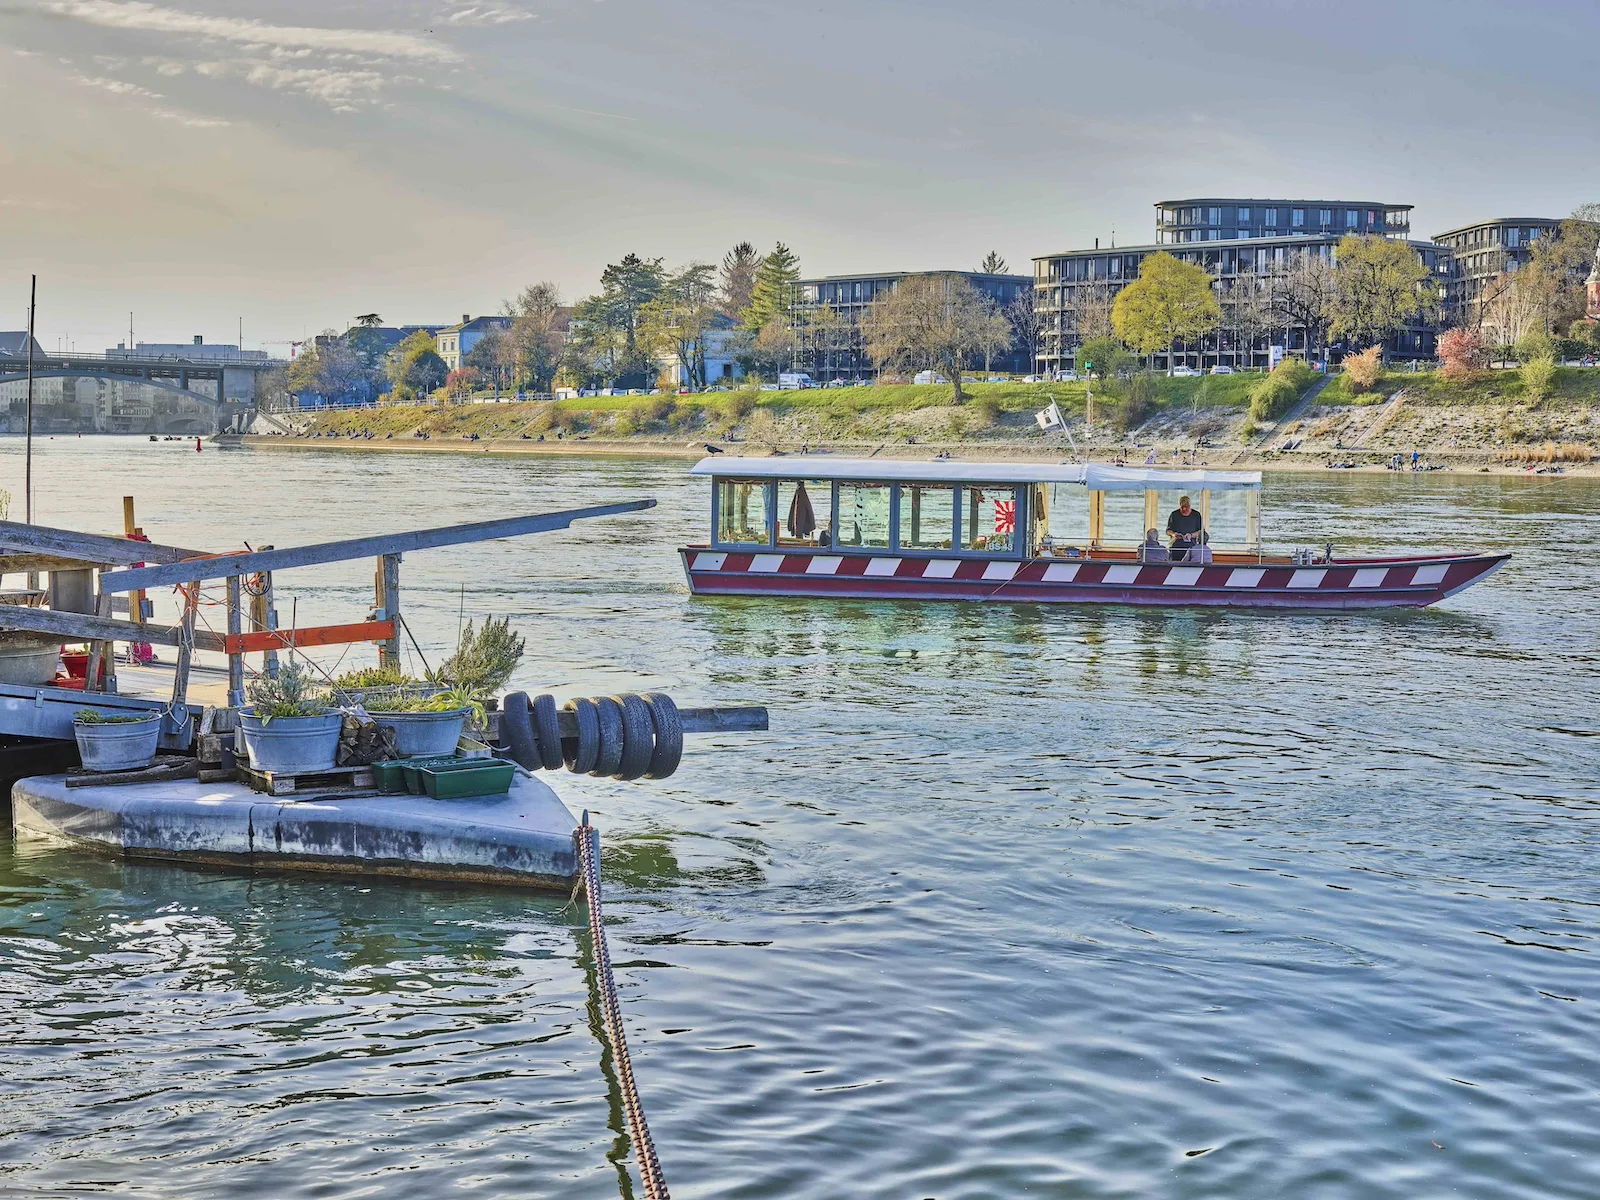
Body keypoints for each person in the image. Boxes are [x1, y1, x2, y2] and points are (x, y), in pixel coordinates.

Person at [1166, 495, 1204, 560]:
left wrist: (1191, 535)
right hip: (1176, 546)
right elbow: (1168, 531)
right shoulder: (1174, 514)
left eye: (1186, 507)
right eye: (1182, 507)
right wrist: (1173, 534)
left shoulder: (1196, 515)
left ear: (1190, 506)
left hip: (1191, 547)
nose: (1184, 509)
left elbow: (1201, 532)